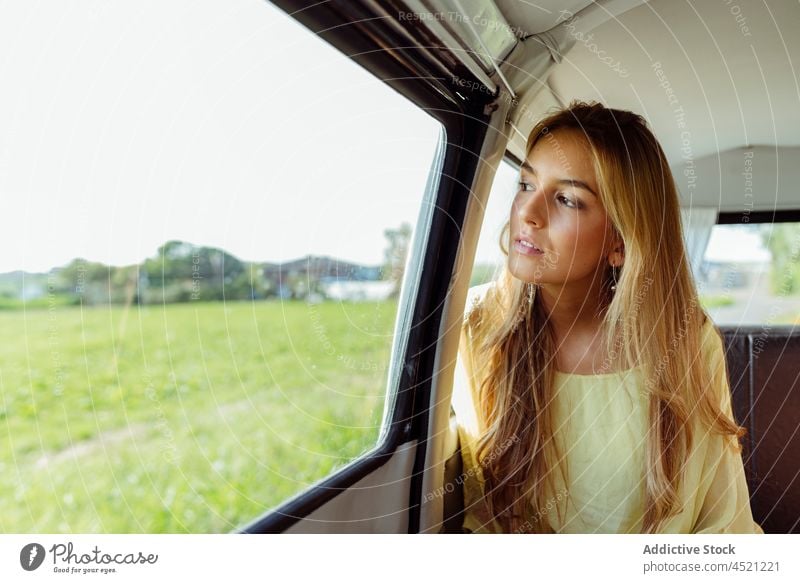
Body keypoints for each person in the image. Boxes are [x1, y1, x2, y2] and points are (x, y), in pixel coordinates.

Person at [451, 100, 764, 534]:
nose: (528, 212)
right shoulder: (475, 326)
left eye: (567, 199)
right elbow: (479, 520)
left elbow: (719, 516)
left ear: (620, 242)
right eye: (526, 184)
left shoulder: (683, 338)